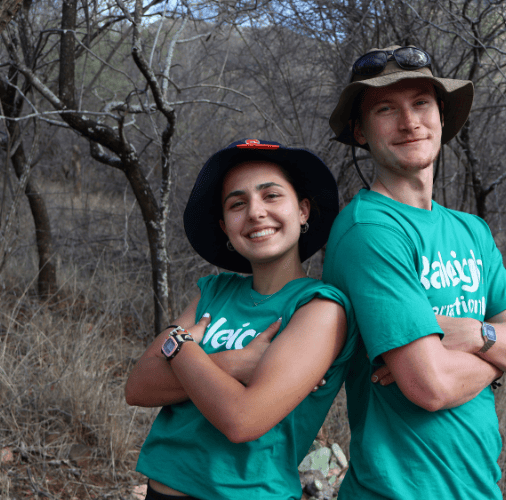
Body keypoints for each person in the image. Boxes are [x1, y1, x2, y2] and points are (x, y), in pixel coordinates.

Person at [323, 45, 506, 499]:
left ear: (441, 115)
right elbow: (432, 385)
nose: (409, 122)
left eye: (421, 103)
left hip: (479, 487)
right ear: (360, 132)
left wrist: (472, 335)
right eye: (386, 109)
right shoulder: (369, 230)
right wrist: (497, 354)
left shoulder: (470, 230)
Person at [125, 138, 358, 500]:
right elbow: (138, 387)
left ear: (303, 210)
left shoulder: (319, 308)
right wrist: (233, 364)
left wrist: (179, 347)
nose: (255, 212)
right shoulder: (214, 290)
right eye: (238, 203)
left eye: (271, 195)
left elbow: (241, 420)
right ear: (225, 226)